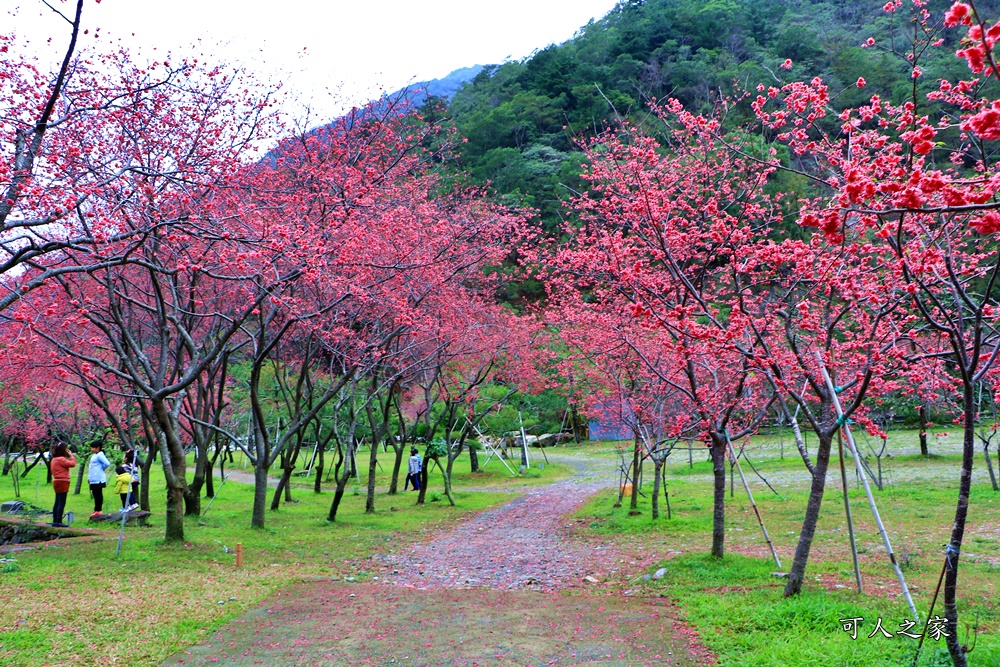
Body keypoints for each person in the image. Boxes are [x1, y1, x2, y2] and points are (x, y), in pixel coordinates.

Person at [50, 444, 76, 527]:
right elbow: (72, 464)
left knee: (57, 501)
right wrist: (71, 456)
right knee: (62, 502)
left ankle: (55, 520)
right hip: (63, 481)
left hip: (56, 481)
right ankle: (59, 521)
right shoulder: (61, 459)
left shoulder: (53, 459)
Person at [87, 441, 112, 518]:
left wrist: (102, 469)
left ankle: (99, 510)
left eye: (93, 447)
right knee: (95, 494)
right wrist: (89, 478)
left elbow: (107, 463)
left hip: (98, 478)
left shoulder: (100, 455)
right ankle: (96, 509)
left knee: (98, 494)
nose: (91, 449)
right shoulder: (94, 455)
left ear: (98, 448)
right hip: (93, 478)